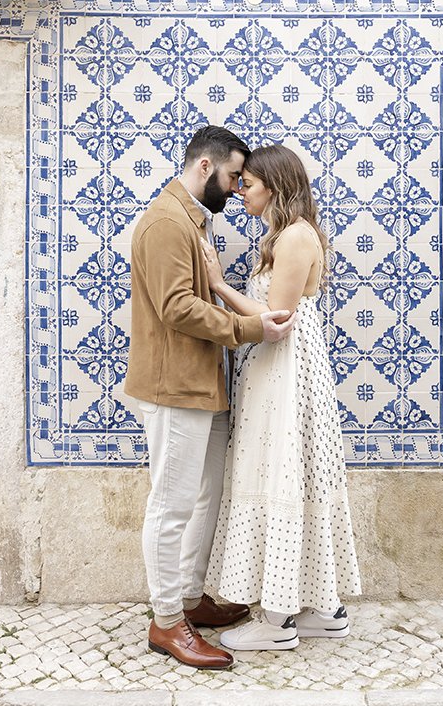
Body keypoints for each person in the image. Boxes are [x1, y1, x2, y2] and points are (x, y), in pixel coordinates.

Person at [125, 126, 298, 670]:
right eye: (230, 177)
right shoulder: (166, 224)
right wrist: (250, 330)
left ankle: (189, 600)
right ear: (205, 167)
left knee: (200, 500)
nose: (234, 188)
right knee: (171, 506)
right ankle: (167, 623)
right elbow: (176, 308)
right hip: (174, 386)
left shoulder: (192, 221)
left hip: (201, 384)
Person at [200, 144, 362, 652]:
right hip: (281, 370)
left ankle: (276, 622)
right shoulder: (286, 235)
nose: (240, 189)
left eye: (248, 182)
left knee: (279, 474)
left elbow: (276, 319)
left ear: (274, 184)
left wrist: (218, 285)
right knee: (296, 475)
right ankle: (324, 612)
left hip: (287, 370)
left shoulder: (294, 236)